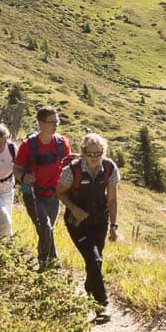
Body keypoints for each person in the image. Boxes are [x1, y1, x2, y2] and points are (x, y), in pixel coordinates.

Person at [57, 132, 119, 321]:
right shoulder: (71, 171)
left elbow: (112, 199)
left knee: (96, 261)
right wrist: (74, 209)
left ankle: (89, 287)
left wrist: (113, 226)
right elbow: (60, 192)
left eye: (98, 153)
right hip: (77, 223)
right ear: (83, 152)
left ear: (103, 152)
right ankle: (102, 306)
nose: (94, 158)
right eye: (90, 154)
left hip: (100, 221)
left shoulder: (109, 168)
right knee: (94, 259)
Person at [15, 105, 72, 270]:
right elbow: (16, 169)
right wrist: (23, 177)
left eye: (57, 122)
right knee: (45, 228)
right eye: (51, 122)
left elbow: (68, 165)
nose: (55, 125)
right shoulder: (28, 145)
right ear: (40, 123)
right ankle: (51, 263)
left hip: (54, 194)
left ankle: (45, 265)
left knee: (47, 230)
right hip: (33, 193)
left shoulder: (62, 143)